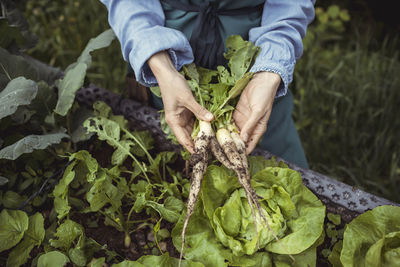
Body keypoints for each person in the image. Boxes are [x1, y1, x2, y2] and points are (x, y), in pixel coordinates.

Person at [99, 0, 316, 169]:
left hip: (255, 52)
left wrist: (269, 71)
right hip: (167, 51)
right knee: (164, 158)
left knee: (279, 163)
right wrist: (158, 61)